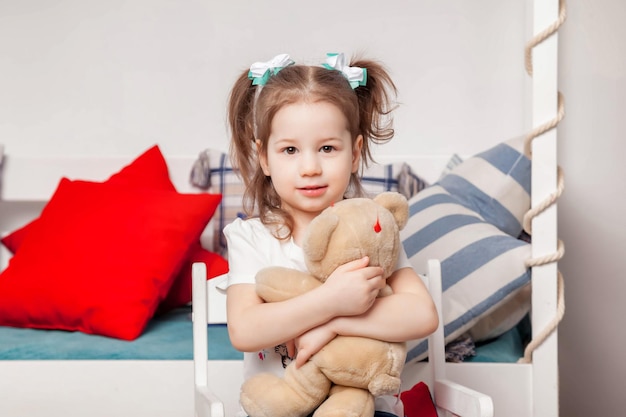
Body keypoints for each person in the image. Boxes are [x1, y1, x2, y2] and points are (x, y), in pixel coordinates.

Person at [224, 52, 439, 417]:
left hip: (368, 410)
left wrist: (335, 322)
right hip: (282, 408)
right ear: (264, 158)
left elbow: (422, 315)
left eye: (327, 148)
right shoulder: (252, 237)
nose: (310, 167)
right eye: (290, 150)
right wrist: (331, 300)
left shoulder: (371, 229)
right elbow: (245, 330)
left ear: (354, 154)